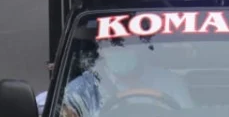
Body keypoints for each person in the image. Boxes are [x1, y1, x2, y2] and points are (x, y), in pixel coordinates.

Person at [61, 42, 194, 117]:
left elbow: (187, 114)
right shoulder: (81, 91)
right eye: (112, 47)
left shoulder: (170, 82)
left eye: (124, 46)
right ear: (101, 51)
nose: (118, 52)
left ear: (140, 49)